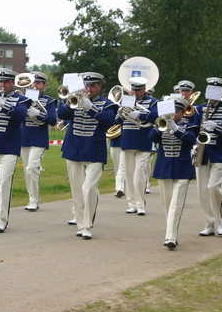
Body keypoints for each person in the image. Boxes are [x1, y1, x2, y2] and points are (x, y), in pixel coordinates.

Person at [58, 72, 117, 239]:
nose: (89, 89)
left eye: (92, 86)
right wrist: (70, 102)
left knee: (89, 188)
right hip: (73, 149)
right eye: (87, 86)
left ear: (99, 86)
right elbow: (61, 114)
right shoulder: (73, 98)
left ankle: (87, 225)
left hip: (94, 151)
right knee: (77, 190)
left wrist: (91, 107)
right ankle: (80, 223)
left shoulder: (107, 104)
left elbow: (110, 121)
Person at [0, 68, 31, 232]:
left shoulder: (22, 99)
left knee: (3, 183)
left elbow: (20, 116)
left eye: (6, 82)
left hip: (9, 146)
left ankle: (2, 220)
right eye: (0, 82)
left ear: (12, 84)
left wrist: (4, 105)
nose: (2, 85)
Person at [150, 98, 197, 249]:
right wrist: (161, 126)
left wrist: (175, 128)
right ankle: (172, 232)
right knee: (168, 204)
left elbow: (190, 140)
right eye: (171, 111)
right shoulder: (160, 123)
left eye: (177, 112)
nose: (173, 114)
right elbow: (151, 137)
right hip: (164, 168)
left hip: (182, 169)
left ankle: (170, 236)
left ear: (183, 112)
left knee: (176, 204)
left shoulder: (190, 126)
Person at [193, 77, 222, 237]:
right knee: (202, 191)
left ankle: (219, 220)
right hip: (202, 153)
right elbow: (194, 130)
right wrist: (194, 144)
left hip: (219, 152)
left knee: (213, 187)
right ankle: (209, 223)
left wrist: (217, 127)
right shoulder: (199, 109)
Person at [118, 77, 157, 216]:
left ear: (144, 89)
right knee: (129, 174)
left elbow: (156, 117)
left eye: (138, 90)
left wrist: (140, 114)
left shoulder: (152, 102)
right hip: (127, 140)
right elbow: (118, 120)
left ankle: (141, 204)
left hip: (143, 141)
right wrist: (119, 114)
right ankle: (132, 203)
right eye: (133, 89)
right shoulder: (126, 100)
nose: (135, 92)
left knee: (139, 174)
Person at [20, 71, 57, 211]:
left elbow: (53, 120)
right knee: (27, 170)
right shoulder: (23, 98)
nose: (35, 85)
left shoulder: (49, 101)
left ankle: (35, 200)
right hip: (25, 137)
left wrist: (39, 114)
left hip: (39, 138)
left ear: (44, 85)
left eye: (38, 83)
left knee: (32, 167)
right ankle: (32, 199)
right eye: (33, 82)